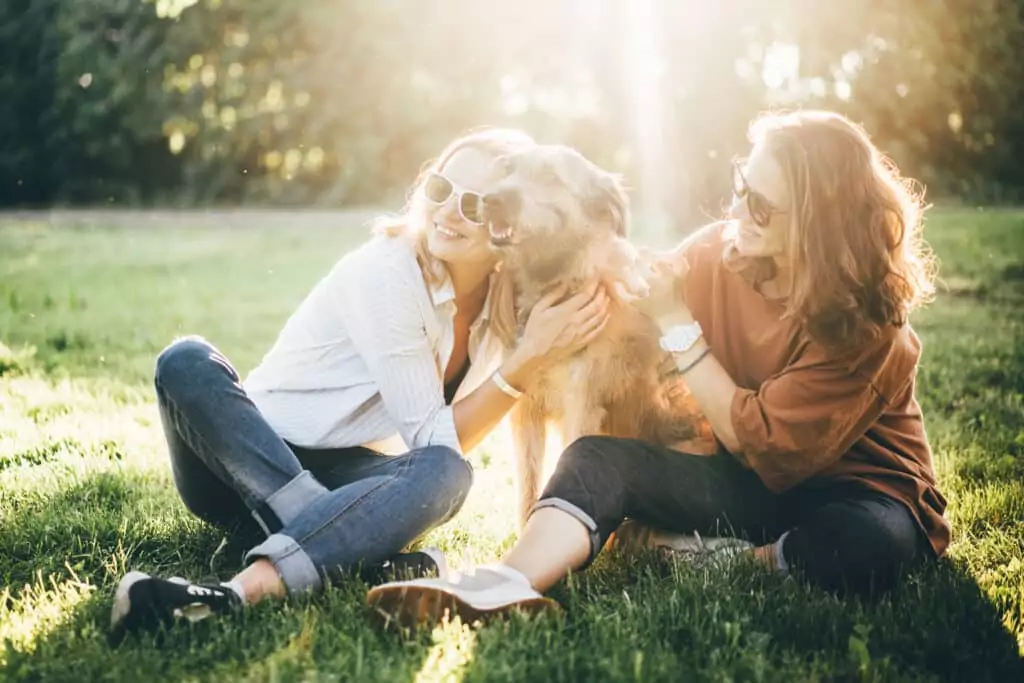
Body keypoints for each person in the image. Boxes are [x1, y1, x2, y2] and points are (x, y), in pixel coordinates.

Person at [366, 110, 950, 628]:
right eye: (741, 185)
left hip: (857, 493)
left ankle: (723, 561)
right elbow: (636, 275)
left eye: (762, 206)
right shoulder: (722, 251)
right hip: (742, 484)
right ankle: (505, 582)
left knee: (870, 545)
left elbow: (769, 449)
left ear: (817, 225)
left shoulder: (872, 328)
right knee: (593, 458)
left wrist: (678, 323)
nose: (737, 210)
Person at [109, 128, 611, 638]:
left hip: (349, 475)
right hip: (244, 461)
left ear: (508, 223)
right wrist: (526, 361)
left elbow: (437, 451)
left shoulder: (506, 294)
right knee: (185, 359)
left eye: (475, 205)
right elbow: (430, 433)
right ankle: (327, 555)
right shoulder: (387, 271)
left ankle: (268, 569)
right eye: (440, 190)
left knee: (447, 473)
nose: (448, 212)